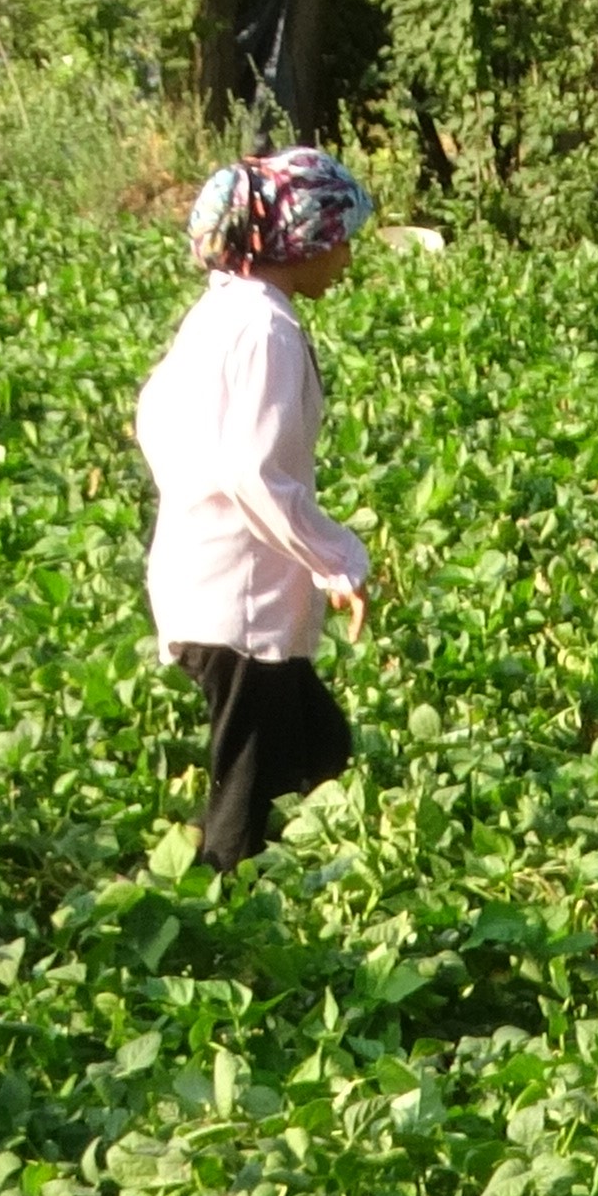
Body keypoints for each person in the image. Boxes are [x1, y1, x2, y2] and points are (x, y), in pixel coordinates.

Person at [137, 147, 380, 872]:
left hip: (213, 587)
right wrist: (338, 560)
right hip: (240, 606)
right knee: (249, 795)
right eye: (339, 239)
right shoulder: (264, 328)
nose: (347, 258)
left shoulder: (223, 313)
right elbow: (252, 471)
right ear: (300, 240)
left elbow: (155, 419)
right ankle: (221, 913)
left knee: (319, 750)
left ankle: (293, 896)